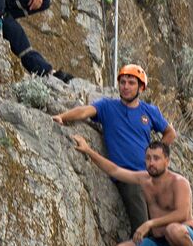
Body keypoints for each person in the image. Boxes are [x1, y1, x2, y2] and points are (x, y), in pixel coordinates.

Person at [52, 64, 176, 231]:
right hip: (128, 176)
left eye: (131, 83)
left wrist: (157, 155)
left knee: (165, 227)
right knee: (142, 226)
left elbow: (170, 133)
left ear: (141, 87)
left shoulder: (150, 111)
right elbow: (84, 111)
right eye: (122, 82)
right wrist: (62, 116)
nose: (125, 86)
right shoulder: (107, 107)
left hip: (151, 175)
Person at [72, 135, 193, 246]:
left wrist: (149, 224)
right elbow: (114, 170)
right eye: (148, 158)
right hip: (161, 244)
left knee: (173, 229)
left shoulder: (179, 182)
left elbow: (182, 214)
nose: (151, 163)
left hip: (187, 241)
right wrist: (88, 150)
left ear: (167, 161)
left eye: (156, 158)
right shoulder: (143, 179)